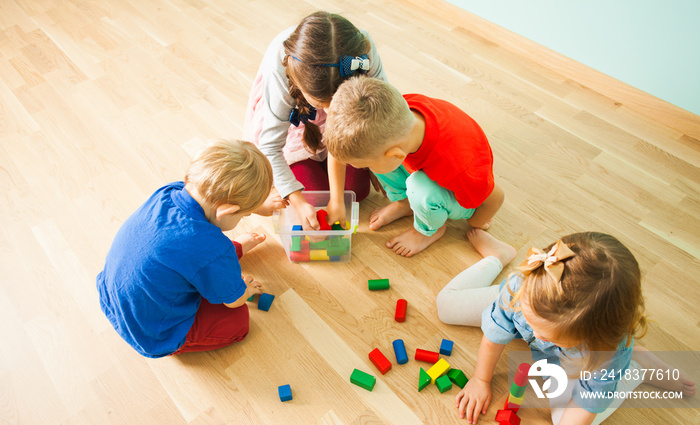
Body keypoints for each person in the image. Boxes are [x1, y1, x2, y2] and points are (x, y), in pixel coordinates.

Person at [436, 230, 696, 425]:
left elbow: (587, 402)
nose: (534, 333)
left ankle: (637, 366)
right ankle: (497, 256)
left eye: (549, 334)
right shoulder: (524, 286)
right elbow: (496, 331)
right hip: (522, 297)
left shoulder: (603, 352)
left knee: (566, 421)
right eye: (533, 320)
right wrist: (481, 378)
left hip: (570, 358)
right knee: (446, 305)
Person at [96, 140, 283, 358]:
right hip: (152, 333)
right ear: (226, 210)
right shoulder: (212, 248)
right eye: (245, 214)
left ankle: (231, 255)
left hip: (113, 297)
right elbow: (234, 301)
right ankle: (176, 344)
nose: (245, 217)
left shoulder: (169, 191)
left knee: (194, 255)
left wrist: (254, 204)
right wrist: (246, 292)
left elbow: (184, 248)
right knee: (239, 321)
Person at [324, 77, 504, 257]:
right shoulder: (391, 115)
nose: (364, 169)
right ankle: (405, 203)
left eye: (364, 167)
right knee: (375, 157)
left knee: (418, 188)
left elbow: (495, 196)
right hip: (424, 161)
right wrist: (337, 199)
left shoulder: (458, 167)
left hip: (458, 183)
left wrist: (476, 222)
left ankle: (428, 230)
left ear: (396, 155)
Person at [244, 11, 387, 230]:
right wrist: (298, 202)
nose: (330, 113)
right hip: (299, 125)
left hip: (346, 126)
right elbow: (270, 146)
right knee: (312, 199)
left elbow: (385, 112)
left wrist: (338, 199)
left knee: (356, 191)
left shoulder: (362, 55)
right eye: (323, 104)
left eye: (335, 103)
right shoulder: (281, 66)